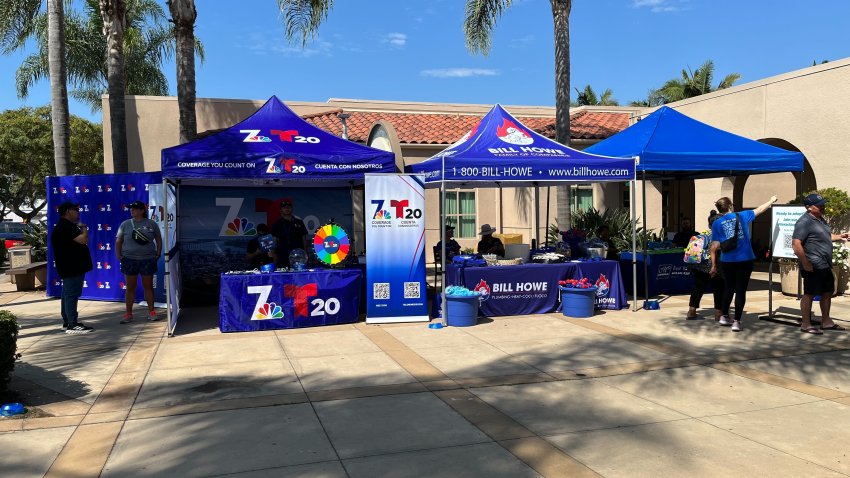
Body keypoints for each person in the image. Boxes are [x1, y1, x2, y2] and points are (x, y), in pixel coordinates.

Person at [709, 195, 778, 332]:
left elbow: (715, 245)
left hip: (727, 260)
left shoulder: (716, 223)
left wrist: (714, 264)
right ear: (730, 206)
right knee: (740, 290)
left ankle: (724, 316)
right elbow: (760, 209)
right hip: (745, 259)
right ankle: (736, 322)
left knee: (728, 288)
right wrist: (771, 200)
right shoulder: (741, 216)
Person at [792, 193, 848, 334]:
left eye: (823, 203)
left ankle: (826, 321)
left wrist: (840, 237)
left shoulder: (820, 219)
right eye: (819, 205)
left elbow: (826, 236)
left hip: (824, 264)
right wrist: (805, 262)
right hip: (813, 264)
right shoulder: (804, 222)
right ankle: (806, 324)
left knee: (827, 291)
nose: (823, 206)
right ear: (809, 208)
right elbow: (796, 243)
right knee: (809, 293)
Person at [50, 202, 94, 334]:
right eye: (75, 210)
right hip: (71, 267)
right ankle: (72, 324)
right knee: (71, 295)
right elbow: (83, 240)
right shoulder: (65, 226)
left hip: (72, 266)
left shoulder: (67, 226)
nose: (78, 212)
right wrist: (85, 228)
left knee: (67, 294)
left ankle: (67, 321)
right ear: (68, 211)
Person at [116, 200, 162, 323]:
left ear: (142, 211)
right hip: (129, 260)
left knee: (148, 287)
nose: (132, 210)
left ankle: (152, 312)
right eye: (131, 209)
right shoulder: (125, 224)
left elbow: (158, 238)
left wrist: (158, 253)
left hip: (147, 260)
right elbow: (118, 240)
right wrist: (118, 255)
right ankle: (128, 314)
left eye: (135, 209)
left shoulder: (152, 224)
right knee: (130, 287)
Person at [686, 212, 724, 321]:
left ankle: (691, 311)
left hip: (698, 266)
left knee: (698, 288)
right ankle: (718, 313)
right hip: (714, 266)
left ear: (709, 224)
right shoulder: (718, 236)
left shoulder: (703, 234)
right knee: (718, 289)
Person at [271, 199, 308, 268]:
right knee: (284, 274)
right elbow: (274, 240)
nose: (287, 209)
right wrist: (274, 254)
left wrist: (305, 252)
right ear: (281, 210)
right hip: (283, 253)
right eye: (284, 208)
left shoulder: (299, 222)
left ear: (292, 209)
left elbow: (304, 239)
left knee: (298, 274)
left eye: (289, 207)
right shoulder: (277, 224)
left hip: (298, 254)